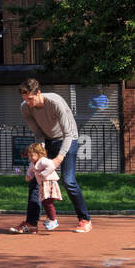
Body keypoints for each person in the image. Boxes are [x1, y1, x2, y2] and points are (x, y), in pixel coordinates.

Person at [13, 78, 91, 234]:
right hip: (47, 141)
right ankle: (32, 223)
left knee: (68, 180)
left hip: (68, 139)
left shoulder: (55, 103)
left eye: (30, 98)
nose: (28, 102)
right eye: (24, 99)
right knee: (35, 180)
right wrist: (38, 159)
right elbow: (39, 135)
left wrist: (58, 159)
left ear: (38, 93)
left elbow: (68, 133)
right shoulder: (25, 108)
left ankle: (85, 220)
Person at [25, 143, 62, 230]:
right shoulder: (33, 163)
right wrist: (28, 176)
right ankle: (50, 218)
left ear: (39, 154)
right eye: (29, 156)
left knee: (48, 202)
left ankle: (53, 220)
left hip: (49, 183)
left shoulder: (43, 161)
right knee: (44, 202)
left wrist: (43, 174)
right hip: (43, 185)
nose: (30, 158)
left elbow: (51, 166)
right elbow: (30, 171)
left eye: (32, 156)